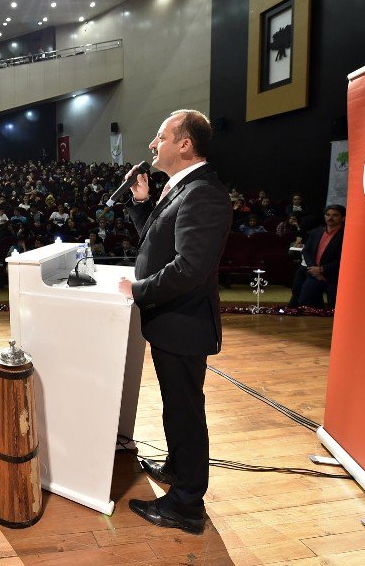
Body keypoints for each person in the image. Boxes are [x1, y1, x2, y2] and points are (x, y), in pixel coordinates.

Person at [118, 109, 232, 536]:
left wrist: (138, 291)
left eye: (161, 136)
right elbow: (158, 241)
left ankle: (186, 505)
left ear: (184, 144)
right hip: (171, 322)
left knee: (185, 411)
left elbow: (190, 267)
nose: (153, 144)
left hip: (183, 323)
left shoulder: (203, 193)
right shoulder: (180, 188)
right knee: (177, 406)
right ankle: (178, 468)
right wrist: (144, 203)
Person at [289, 205, 345, 309]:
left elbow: (345, 259)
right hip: (314, 274)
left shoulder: (347, 235)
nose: (330, 218)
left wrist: (322, 269)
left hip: (335, 277)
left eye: (335, 215)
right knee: (305, 303)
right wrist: (314, 269)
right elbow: (306, 251)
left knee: (335, 309)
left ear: (343, 218)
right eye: (327, 215)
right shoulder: (316, 232)